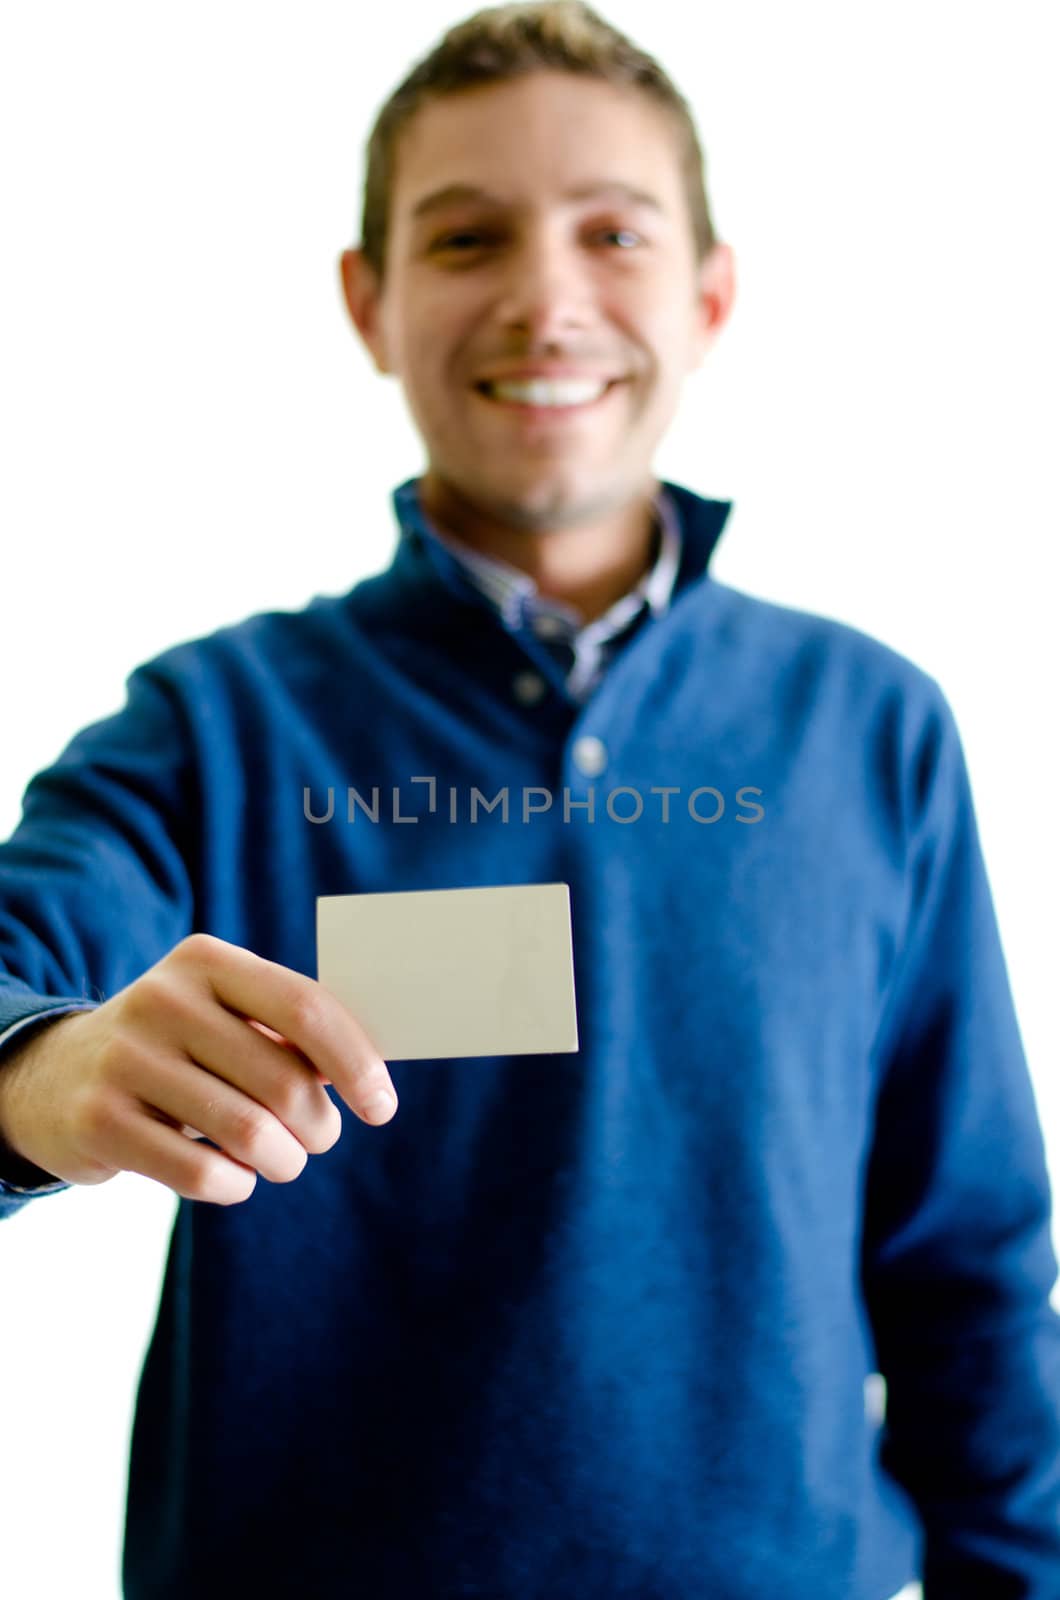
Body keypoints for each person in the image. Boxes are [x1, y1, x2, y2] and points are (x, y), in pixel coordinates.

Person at [1, 2, 1057, 1595]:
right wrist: (39, 1072)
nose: (546, 300)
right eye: (467, 236)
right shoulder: (214, 725)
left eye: (614, 233)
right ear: (369, 302)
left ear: (710, 296)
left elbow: (969, 1267)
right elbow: (21, 971)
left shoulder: (871, 727)